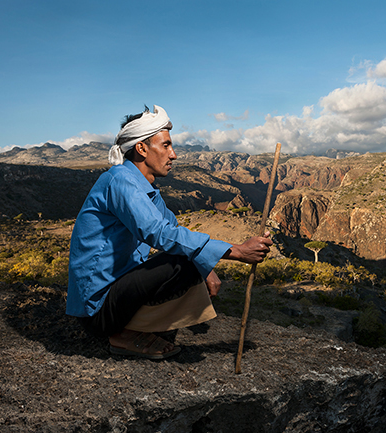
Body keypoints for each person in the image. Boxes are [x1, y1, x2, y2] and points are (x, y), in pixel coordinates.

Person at [66, 105, 272, 359]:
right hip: (97, 310)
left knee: (193, 257)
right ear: (141, 148)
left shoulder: (146, 189)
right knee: (182, 259)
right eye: (165, 146)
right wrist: (237, 251)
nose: (173, 155)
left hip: (115, 296)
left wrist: (206, 266)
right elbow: (158, 233)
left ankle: (138, 327)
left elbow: (173, 229)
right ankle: (123, 336)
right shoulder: (120, 181)